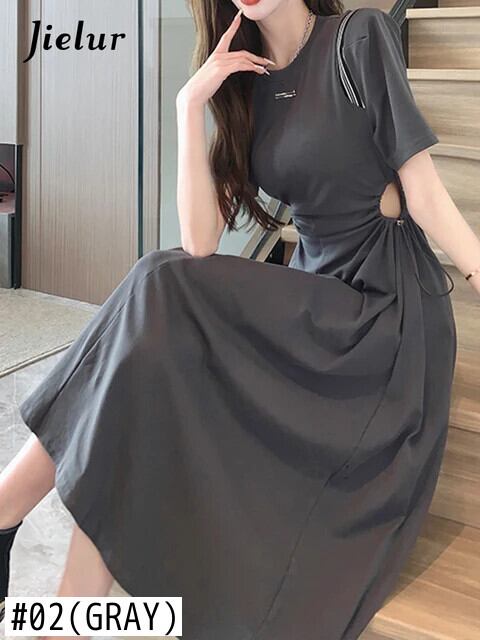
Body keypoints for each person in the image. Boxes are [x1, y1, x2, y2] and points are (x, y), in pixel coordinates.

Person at [2, 1, 480, 639]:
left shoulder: (358, 37)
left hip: (383, 315)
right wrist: (188, 106)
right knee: (147, 359)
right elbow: (200, 241)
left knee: (159, 285)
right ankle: (62, 606)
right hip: (313, 304)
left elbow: (424, 193)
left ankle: (5, 510)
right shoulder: (243, 81)